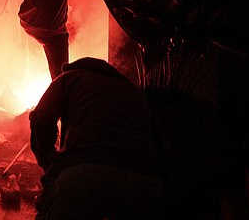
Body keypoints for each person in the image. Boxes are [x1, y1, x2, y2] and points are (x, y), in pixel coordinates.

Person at [29, 57, 164, 219]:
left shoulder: (68, 78)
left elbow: (40, 118)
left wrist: (48, 162)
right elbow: (158, 143)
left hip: (82, 178)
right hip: (144, 185)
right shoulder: (136, 93)